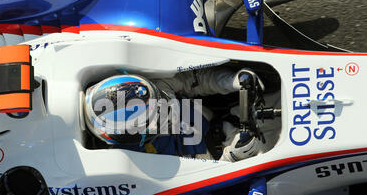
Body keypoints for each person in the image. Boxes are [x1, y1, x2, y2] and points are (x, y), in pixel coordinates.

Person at [83, 68, 267, 161]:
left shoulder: (149, 90)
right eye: (157, 114)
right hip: (224, 151)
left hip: (226, 113)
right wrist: (231, 157)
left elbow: (195, 80)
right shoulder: (134, 164)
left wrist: (232, 81)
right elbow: (191, 183)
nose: (164, 104)